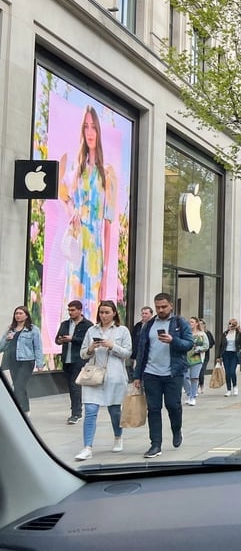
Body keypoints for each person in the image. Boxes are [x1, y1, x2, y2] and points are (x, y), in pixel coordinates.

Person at [58, 104, 118, 317]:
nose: (90, 132)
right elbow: (63, 196)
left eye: (94, 126)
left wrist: (107, 268)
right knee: (73, 296)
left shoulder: (108, 173)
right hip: (77, 242)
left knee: (92, 304)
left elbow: (108, 222)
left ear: (99, 131)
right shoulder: (74, 169)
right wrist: (71, 211)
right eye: (86, 126)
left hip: (95, 245)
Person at [133, 293, 193, 459]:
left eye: (164, 307)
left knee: (173, 406)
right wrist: (137, 375)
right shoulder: (149, 325)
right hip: (151, 373)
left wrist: (173, 340)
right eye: (158, 307)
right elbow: (141, 352)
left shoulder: (180, 323)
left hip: (173, 373)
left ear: (171, 306)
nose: (160, 310)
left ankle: (176, 430)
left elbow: (189, 344)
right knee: (153, 409)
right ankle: (155, 444)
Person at [74, 300, 132, 461]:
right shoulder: (91, 330)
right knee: (90, 411)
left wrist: (112, 346)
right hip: (93, 376)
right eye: (101, 312)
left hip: (114, 377)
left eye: (107, 312)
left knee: (114, 411)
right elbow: (83, 354)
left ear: (114, 313)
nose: (104, 315)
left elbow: (128, 353)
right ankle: (87, 447)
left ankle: (118, 436)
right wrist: (91, 348)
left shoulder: (122, 330)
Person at [55, 300, 94, 424]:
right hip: (67, 358)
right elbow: (57, 339)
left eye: (73, 310)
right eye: (69, 310)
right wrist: (61, 340)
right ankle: (76, 410)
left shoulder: (87, 325)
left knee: (74, 385)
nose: (70, 312)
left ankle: (76, 413)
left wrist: (73, 339)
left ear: (80, 310)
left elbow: (88, 342)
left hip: (80, 359)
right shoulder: (65, 324)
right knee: (71, 386)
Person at [4, 306, 46, 414]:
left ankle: (19, 411)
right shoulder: (10, 329)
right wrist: (7, 339)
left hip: (27, 361)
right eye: (16, 313)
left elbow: (38, 347)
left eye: (20, 313)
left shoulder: (33, 329)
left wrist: (40, 364)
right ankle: (26, 409)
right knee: (20, 386)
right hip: (12, 361)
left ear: (26, 315)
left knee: (18, 386)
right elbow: (1, 346)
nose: (18, 315)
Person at [183, 317, 209, 406]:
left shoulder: (202, 334)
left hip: (197, 358)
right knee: (185, 377)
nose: (190, 323)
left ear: (197, 323)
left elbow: (206, 346)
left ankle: (193, 396)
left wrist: (198, 349)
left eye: (192, 322)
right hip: (186, 358)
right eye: (189, 322)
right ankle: (189, 393)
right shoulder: (186, 334)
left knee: (194, 377)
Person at [217, 319, 241, 397]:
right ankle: (228, 389)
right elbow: (221, 345)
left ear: (235, 326)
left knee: (232, 371)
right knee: (227, 372)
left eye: (232, 325)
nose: (230, 326)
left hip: (234, 354)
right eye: (229, 324)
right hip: (226, 354)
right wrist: (218, 356)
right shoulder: (225, 333)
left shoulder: (239, 334)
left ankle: (235, 386)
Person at [129, 306, 153, 375]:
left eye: (146, 313)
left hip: (148, 356)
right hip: (138, 354)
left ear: (151, 314)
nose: (144, 315)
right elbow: (133, 339)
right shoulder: (138, 325)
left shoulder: (153, 326)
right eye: (143, 313)